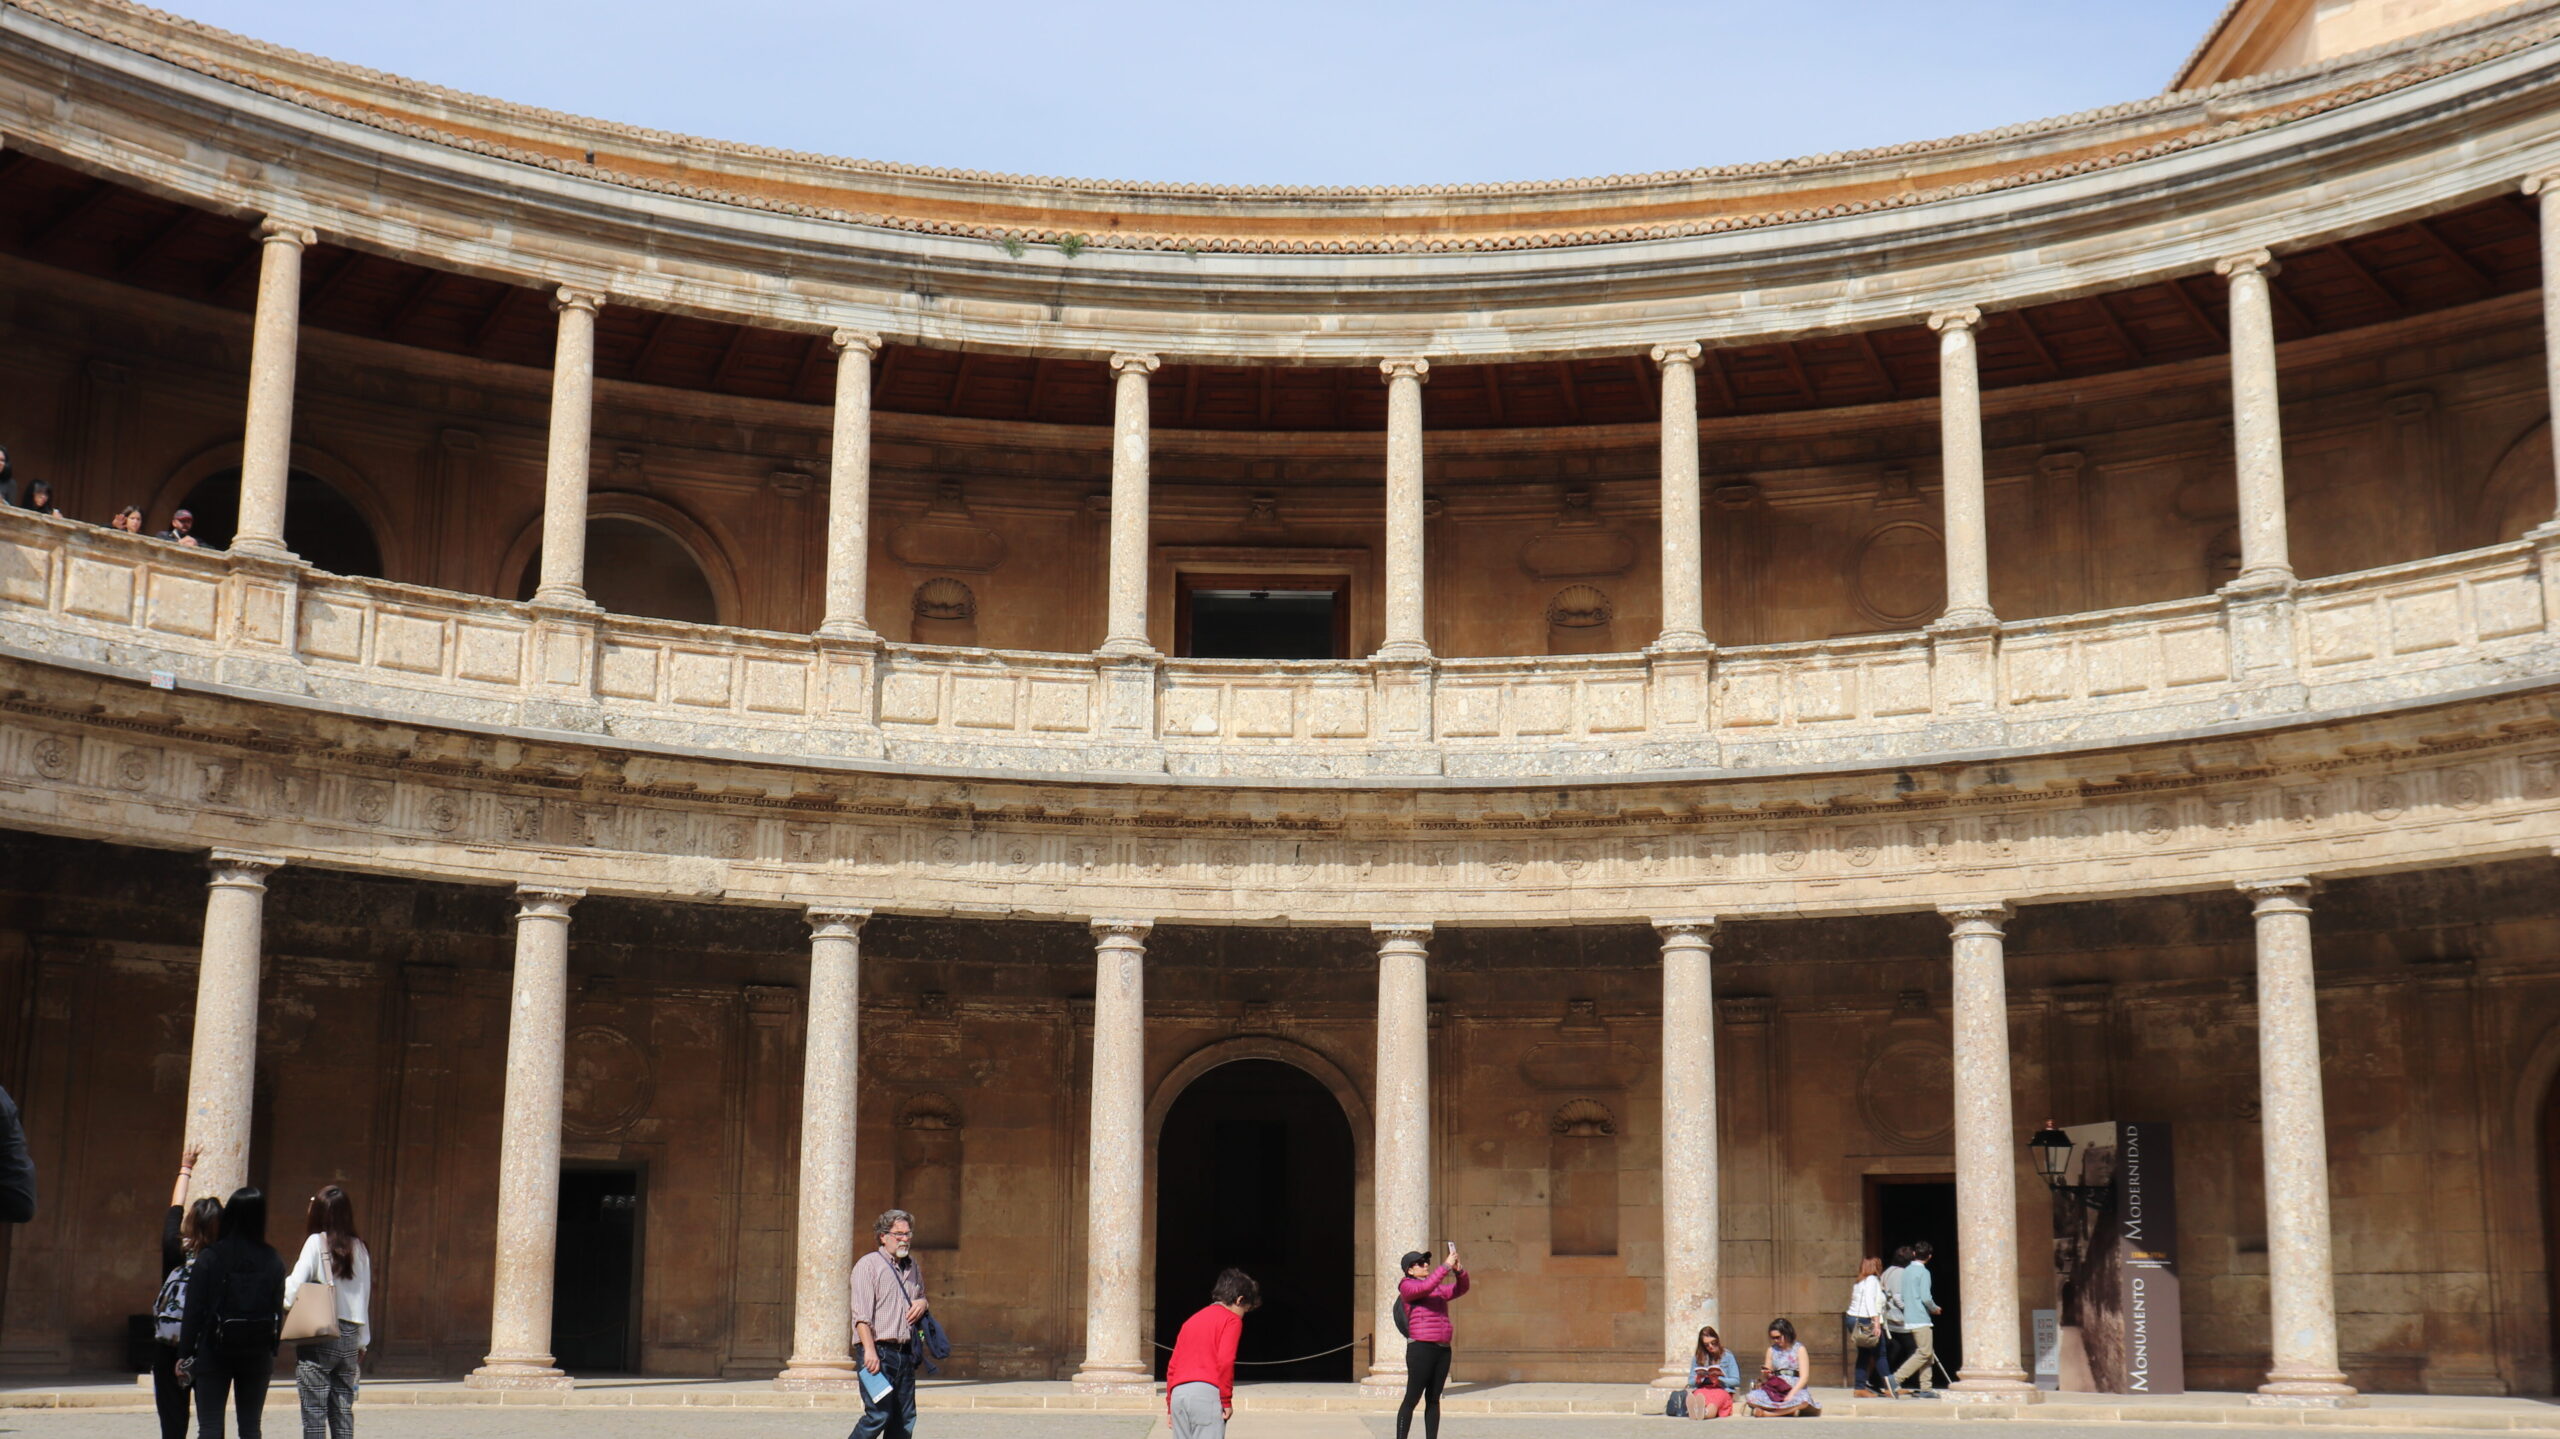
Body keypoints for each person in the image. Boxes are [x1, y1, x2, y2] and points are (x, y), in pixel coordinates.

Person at [180, 1185, 284, 1439]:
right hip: (257, 1350)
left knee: (210, 1427)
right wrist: (273, 1347)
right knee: (250, 1427)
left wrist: (184, 1354)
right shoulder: (272, 1258)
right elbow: (277, 1307)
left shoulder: (211, 1256)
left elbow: (193, 1309)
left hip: (214, 1348)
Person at [285, 1185, 370, 1439]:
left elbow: (292, 1290)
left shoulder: (315, 1242)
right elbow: (364, 1297)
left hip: (322, 1333)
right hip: (352, 1335)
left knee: (314, 1413)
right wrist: (363, 1342)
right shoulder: (361, 1248)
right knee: (343, 1411)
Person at [152, 1148, 215, 1439]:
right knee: (209, 1421)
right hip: (207, 1346)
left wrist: (185, 1168)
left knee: (172, 1421)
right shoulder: (221, 1258)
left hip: (168, 1346)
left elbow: (174, 1207)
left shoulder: (174, 1246)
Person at [850, 1208, 927, 1439]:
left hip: (904, 1354)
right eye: (899, 1234)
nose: (905, 1239)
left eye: (908, 1234)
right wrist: (869, 1352)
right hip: (878, 1353)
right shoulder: (868, 1266)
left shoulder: (913, 1267)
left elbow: (920, 1295)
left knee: (904, 1419)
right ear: (883, 1236)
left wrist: (923, 1303)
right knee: (878, 1415)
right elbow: (861, 1315)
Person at [1163, 1267, 1259, 1439]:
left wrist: (1170, 1405)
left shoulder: (1191, 1321)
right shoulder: (1231, 1320)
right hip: (1205, 1395)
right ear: (1239, 1300)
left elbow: (1172, 1366)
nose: (1243, 1315)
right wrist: (1226, 1399)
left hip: (1178, 1394)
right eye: (1246, 1309)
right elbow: (1225, 1360)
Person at [1393, 1242, 1468, 1439]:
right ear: (1410, 1269)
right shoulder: (1407, 1286)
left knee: (1433, 1399)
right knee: (1412, 1398)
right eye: (1420, 1263)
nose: (1426, 1265)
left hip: (1442, 1349)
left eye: (1426, 1261)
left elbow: (1461, 1289)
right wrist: (1444, 1266)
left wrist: (1459, 1271)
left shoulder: (1437, 1290)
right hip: (1421, 1349)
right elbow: (1426, 1287)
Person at [1889, 1240, 1943, 1399]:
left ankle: (1926, 1387)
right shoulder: (1923, 1272)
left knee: (1927, 1353)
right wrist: (1934, 1308)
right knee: (1924, 1352)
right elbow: (1926, 1297)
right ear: (1930, 1257)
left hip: (1909, 1315)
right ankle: (1896, 1378)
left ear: (1914, 1254)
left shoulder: (1906, 1271)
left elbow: (1904, 1295)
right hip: (1920, 1316)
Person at [1744, 1317, 1813, 1417]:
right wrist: (1765, 1374)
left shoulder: (1799, 1349)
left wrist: (1791, 1394)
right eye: (1773, 1338)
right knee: (1751, 1398)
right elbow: (1766, 1376)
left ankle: (1768, 1414)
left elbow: (1804, 1377)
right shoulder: (1771, 1350)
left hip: (1793, 1387)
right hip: (1776, 1388)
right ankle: (1788, 1411)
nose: (1776, 1340)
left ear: (1787, 1334)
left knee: (1804, 1400)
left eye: (1778, 1337)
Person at [1843, 1257, 1888, 1396]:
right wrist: (1876, 1323)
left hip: (1853, 1318)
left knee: (1864, 1353)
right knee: (1880, 1352)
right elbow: (1870, 1302)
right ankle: (1891, 1386)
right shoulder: (1872, 1281)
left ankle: (1860, 1387)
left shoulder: (1859, 1282)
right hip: (1863, 1319)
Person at [1878, 1244, 1913, 1395]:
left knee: (1895, 1349)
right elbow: (1898, 1297)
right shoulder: (1901, 1273)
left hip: (1889, 1317)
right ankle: (1895, 1380)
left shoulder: (1888, 1271)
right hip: (1899, 1319)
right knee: (1916, 1351)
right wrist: (1911, 1311)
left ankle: (1883, 1380)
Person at [1686, 1325, 1741, 1420]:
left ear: (1717, 1340)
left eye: (1713, 1343)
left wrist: (1719, 1379)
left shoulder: (1727, 1355)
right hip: (1704, 1388)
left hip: (1722, 1390)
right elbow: (1690, 1382)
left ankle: (1704, 1413)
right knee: (1699, 1394)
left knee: (1714, 1402)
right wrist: (1698, 1379)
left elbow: (1736, 1380)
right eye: (1706, 1345)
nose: (1710, 1346)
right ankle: (1696, 1410)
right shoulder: (1698, 1357)